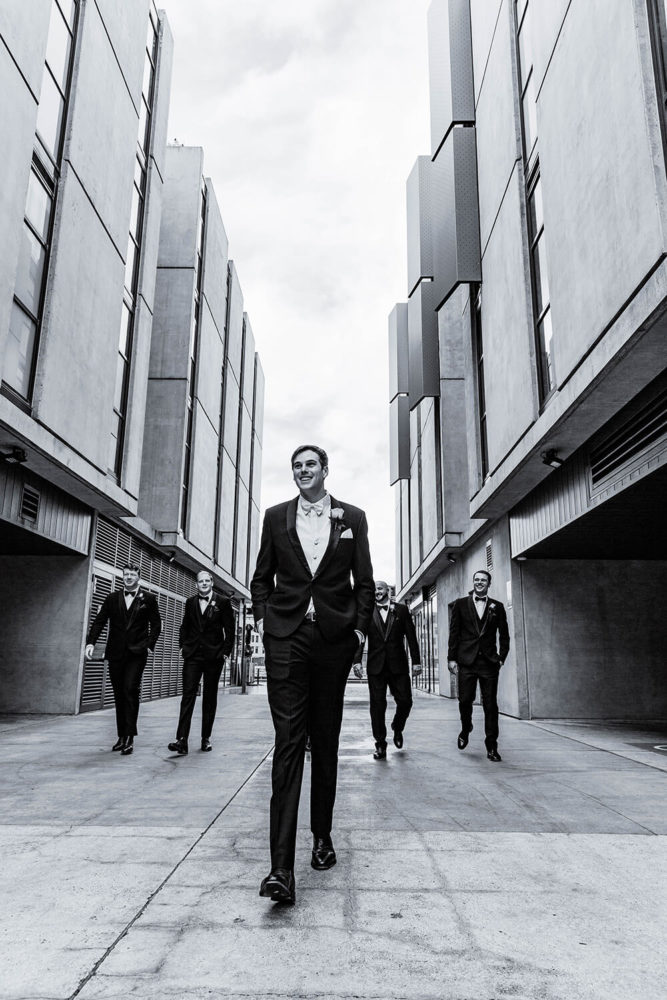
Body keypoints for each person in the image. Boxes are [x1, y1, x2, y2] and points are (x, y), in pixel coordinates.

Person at [251, 445, 374, 905]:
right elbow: (261, 576)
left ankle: (321, 836)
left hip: (334, 640)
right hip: (286, 636)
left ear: (325, 470)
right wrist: (264, 619)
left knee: (325, 742)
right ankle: (280, 868)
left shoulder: (353, 519)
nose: (303, 471)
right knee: (288, 743)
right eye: (296, 466)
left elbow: (364, 581)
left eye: (310, 465)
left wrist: (359, 631)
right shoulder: (276, 516)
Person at [85, 563, 162, 755]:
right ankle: (121, 735)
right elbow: (99, 621)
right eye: (126, 574)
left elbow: (157, 624)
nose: (128, 577)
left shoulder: (149, 599)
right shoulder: (112, 598)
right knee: (119, 693)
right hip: (116, 653)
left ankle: (129, 736)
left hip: (137, 653)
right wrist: (90, 643)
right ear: (123, 576)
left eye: (132, 574)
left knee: (130, 689)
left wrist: (149, 645)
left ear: (138, 577)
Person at [167, 570, 235, 755]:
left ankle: (206, 738)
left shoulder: (223, 603)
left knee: (209, 698)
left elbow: (230, 631)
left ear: (212, 583)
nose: (204, 584)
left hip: (214, 657)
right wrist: (182, 646)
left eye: (207, 581)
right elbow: (185, 626)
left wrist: (225, 653)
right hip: (193, 656)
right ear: (196, 584)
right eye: (200, 581)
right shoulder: (190, 602)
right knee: (187, 696)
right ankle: (181, 740)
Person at [447, 569, 510, 762]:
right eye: (476, 580)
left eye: (483, 580)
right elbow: (454, 633)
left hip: (489, 663)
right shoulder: (460, 604)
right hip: (466, 662)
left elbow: (504, 635)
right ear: (473, 582)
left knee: (490, 705)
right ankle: (466, 728)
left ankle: (492, 746)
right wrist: (451, 658)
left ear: (489, 584)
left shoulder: (497, 607)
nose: (479, 582)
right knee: (465, 700)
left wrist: (501, 658)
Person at [354, 580, 421, 760]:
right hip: (376, 666)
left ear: (388, 591)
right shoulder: (366, 611)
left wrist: (416, 661)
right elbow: (360, 637)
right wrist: (357, 661)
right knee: (377, 706)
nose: (377, 591)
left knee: (406, 701)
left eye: (380, 588)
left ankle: (397, 727)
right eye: (375, 589)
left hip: (398, 665)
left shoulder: (401, 610)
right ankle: (380, 744)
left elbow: (411, 637)